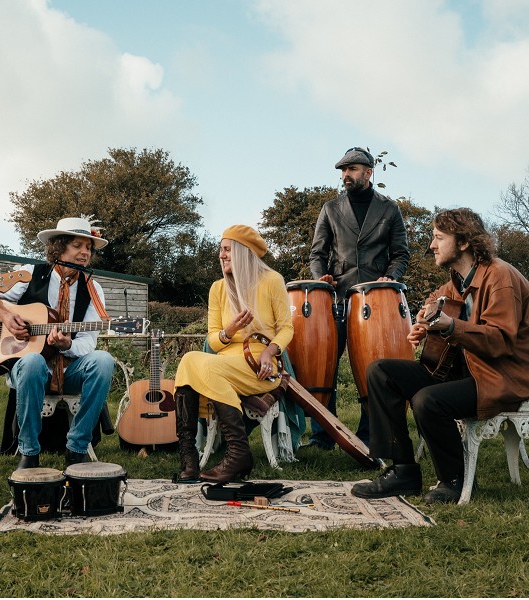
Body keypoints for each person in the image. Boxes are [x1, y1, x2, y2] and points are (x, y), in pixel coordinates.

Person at [351, 208, 529, 503]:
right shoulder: (456, 281)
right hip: (466, 372)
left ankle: (453, 480)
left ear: (464, 242)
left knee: (428, 400)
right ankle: (403, 471)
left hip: (501, 377)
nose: (432, 245)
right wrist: (424, 325)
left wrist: (449, 325)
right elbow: (437, 303)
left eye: (438, 237)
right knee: (381, 371)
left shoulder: (500, 276)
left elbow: (500, 341)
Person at [0, 216, 115, 470]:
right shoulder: (31, 274)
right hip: (30, 369)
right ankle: (29, 452)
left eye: (88, 248)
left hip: (70, 371)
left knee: (103, 360)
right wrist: (4, 316)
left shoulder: (93, 288)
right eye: (77, 246)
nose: (85, 252)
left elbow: (87, 344)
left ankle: (77, 448)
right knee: (32, 361)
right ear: (59, 247)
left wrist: (66, 345)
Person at [307, 146, 410, 448]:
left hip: (375, 301)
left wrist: (390, 277)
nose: (345, 175)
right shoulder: (330, 208)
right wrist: (321, 278)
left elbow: (401, 253)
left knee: (372, 369)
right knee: (325, 367)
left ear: (368, 172)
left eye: (351, 169)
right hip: (336, 300)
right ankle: (323, 434)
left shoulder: (389, 209)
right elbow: (317, 253)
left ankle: (369, 434)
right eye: (343, 170)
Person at [174, 225, 294, 483]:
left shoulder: (272, 281)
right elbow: (213, 341)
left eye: (227, 249)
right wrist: (229, 331)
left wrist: (270, 351)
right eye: (221, 250)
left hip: (260, 367)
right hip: (225, 364)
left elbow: (286, 328)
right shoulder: (218, 289)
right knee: (189, 360)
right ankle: (189, 456)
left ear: (242, 252)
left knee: (204, 366)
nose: (221, 255)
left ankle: (238, 452)